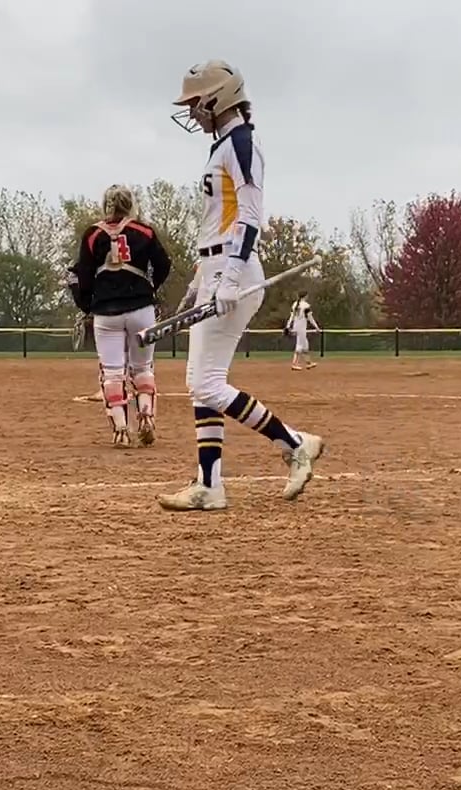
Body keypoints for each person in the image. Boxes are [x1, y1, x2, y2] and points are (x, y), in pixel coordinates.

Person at [157, 60, 324, 513]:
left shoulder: (242, 144)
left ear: (217, 99)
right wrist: (200, 278)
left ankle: (293, 444)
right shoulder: (223, 147)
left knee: (207, 383)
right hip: (215, 269)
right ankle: (210, 484)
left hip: (234, 273)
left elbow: (249, 217)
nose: (191, 112)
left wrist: (229, 278)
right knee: (200, 383)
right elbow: (219, 221)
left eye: (196, 103)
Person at [67, 184, 171, 448]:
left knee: (112, 373)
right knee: (143, 368)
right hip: (141, 308)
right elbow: (163, 264)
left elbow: (83, 275)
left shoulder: (93, 234)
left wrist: (87, 304)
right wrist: (151, 288)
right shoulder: (144, 231)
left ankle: (121, 430)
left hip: (107, 312)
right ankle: (146, 416)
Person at [286, 291, 319, 370]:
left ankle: (309, 363)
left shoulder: (295, 304)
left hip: (296, 326)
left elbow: (291, 317)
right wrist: (316, 326)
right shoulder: (306, 305)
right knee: (299, 345)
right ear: (305, 296)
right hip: (301, 328)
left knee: (305, 345)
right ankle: (294, 364)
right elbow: (310, 318)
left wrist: (288, 325)